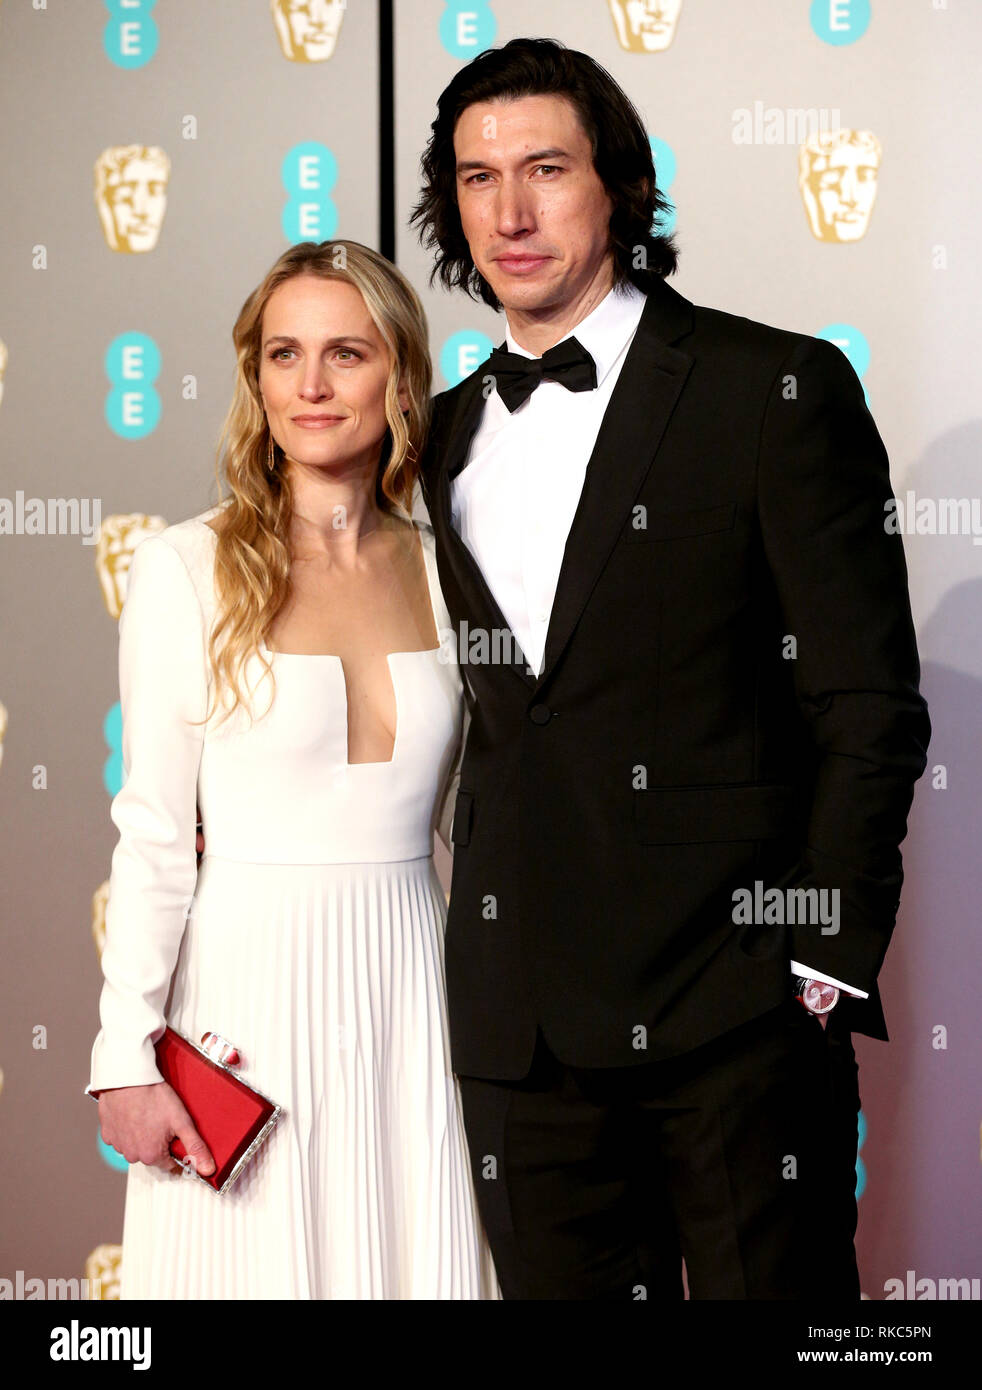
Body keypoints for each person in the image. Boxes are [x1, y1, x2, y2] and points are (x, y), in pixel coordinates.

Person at [411, 37, 931, 1299]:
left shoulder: (773, 389)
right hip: (520, 1034)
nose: (512, 211)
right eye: (478, 179)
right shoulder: (444, 433)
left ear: (620, 188)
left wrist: (817, 958)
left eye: (546, 168)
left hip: (733, 1013)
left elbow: (865, 701)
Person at [85, 239, 499, 1300]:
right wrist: (126, 1052)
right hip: (245, 1004)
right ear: (255, 377)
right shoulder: (186, 566)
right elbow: (153, 837)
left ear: (399, 377)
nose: (310, 385)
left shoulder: (454, 570)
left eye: (345, 353)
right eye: (283, 354)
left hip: (416, 993)